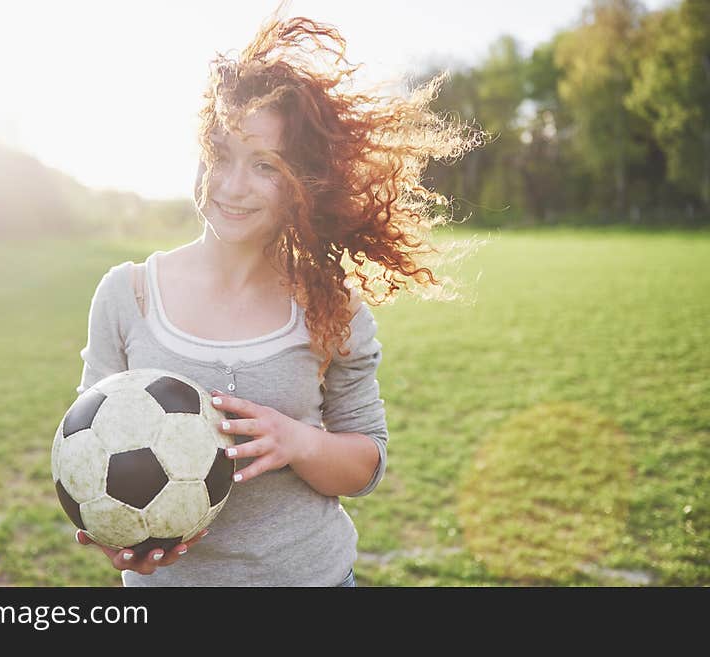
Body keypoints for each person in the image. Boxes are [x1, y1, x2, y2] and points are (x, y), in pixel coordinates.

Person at [74, 11, 484, 587]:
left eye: (265, 165)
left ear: (303, 182)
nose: (232, 186)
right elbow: (88, 449)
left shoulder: (329, 304)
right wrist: (116, 539)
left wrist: (295, 440)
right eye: (221, 154)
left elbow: (366, 464)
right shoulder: (127, 293)